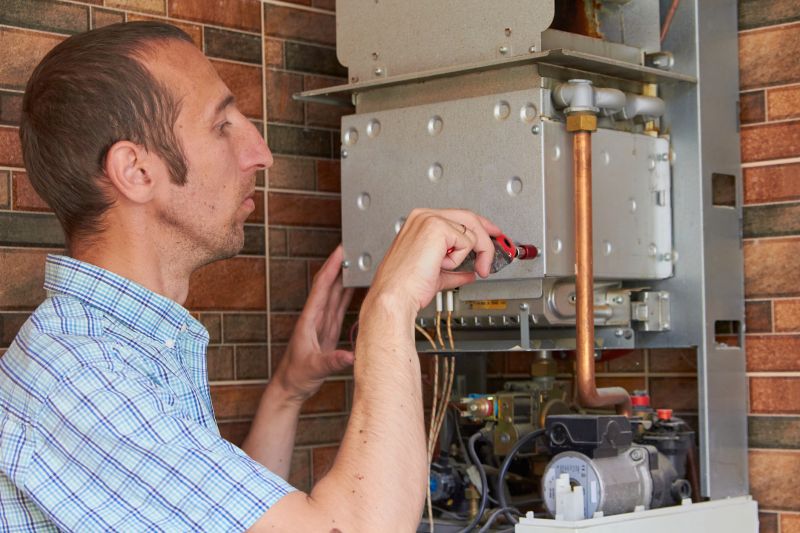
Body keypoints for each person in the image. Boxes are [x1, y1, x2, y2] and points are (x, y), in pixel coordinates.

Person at [0, 21, 501, 532]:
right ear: (137, 171)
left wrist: (288, 390)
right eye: (222, 126)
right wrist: (388, 310)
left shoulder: (114, 353)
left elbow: (232, 519)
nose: (260, 153)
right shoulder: (86, 379)